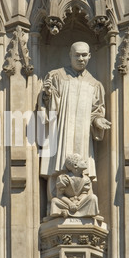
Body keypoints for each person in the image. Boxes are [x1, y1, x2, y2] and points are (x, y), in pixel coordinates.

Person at [38, 41, 111, 210]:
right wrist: (47, 96)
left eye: (84, 55)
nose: (81, 58)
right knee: (57, 166)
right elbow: (47, 109)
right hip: (60, 133)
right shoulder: (56, 76)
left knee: (83, 167)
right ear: (70, 55)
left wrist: (98, 120)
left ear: (90, 56)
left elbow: (96, 111)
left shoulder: (95, 84)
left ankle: (82, 203)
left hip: (83, 137)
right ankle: (56, 203)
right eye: (77, 55)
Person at [48, 154, 100, 220]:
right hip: (67, 202)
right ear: (75, 165)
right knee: (54, 201)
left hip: (79, 202)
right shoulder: (64, 178)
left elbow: (84, 193)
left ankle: (68, 212)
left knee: (93, 198)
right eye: (82, 160)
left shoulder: (86, 179)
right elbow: (60, 195)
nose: (85, 161)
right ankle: (66, 212)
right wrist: (70, 203)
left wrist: (77, 202)